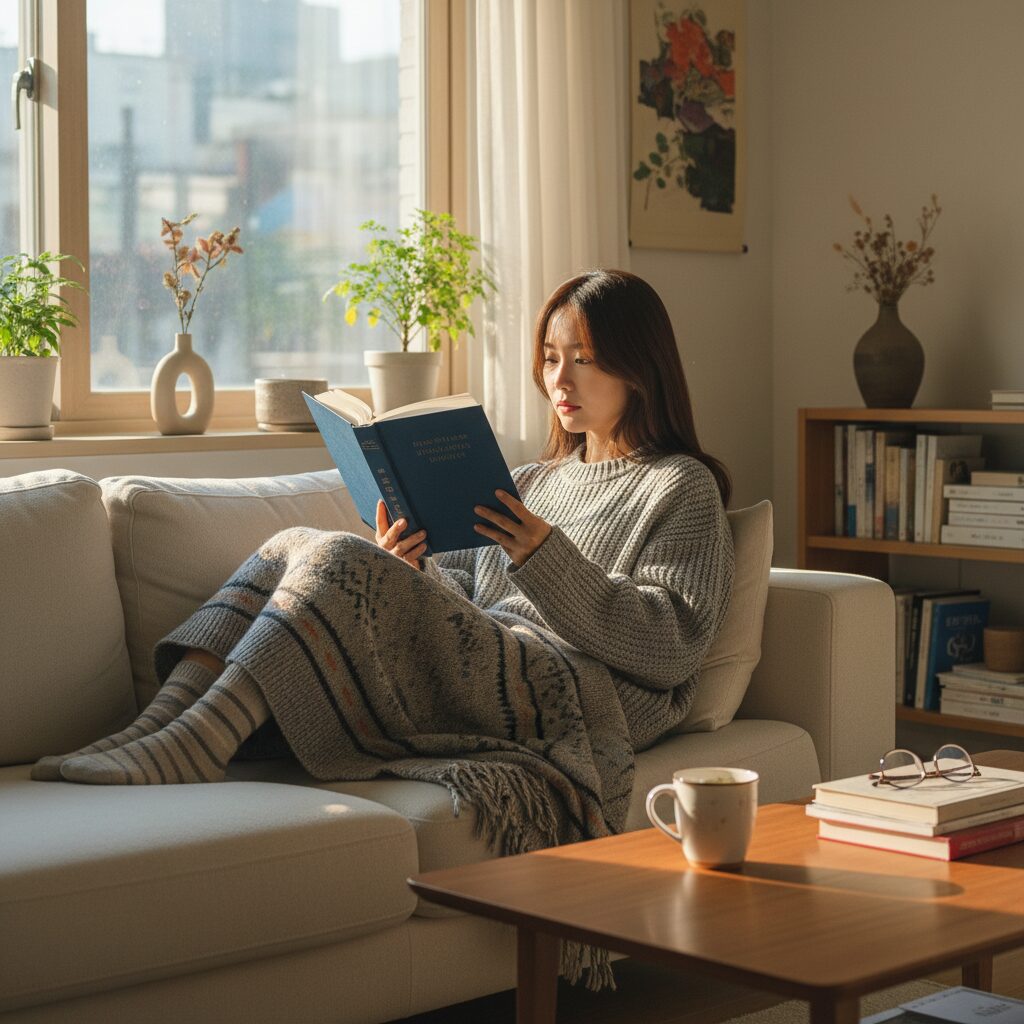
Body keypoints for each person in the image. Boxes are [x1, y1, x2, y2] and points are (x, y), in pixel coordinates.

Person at [32, 269, 734, 867]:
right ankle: (160, 726)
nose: (559, 379)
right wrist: (409, 571)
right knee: (295, 542)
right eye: (550, 358)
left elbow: (671, 645)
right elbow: (465, 599)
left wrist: (542, 557)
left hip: (571, 688)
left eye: (584, 358)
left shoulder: (680, 486)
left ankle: (198, 742)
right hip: (488, 659)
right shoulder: (533, 480)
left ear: (639, 366)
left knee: (337, 556)